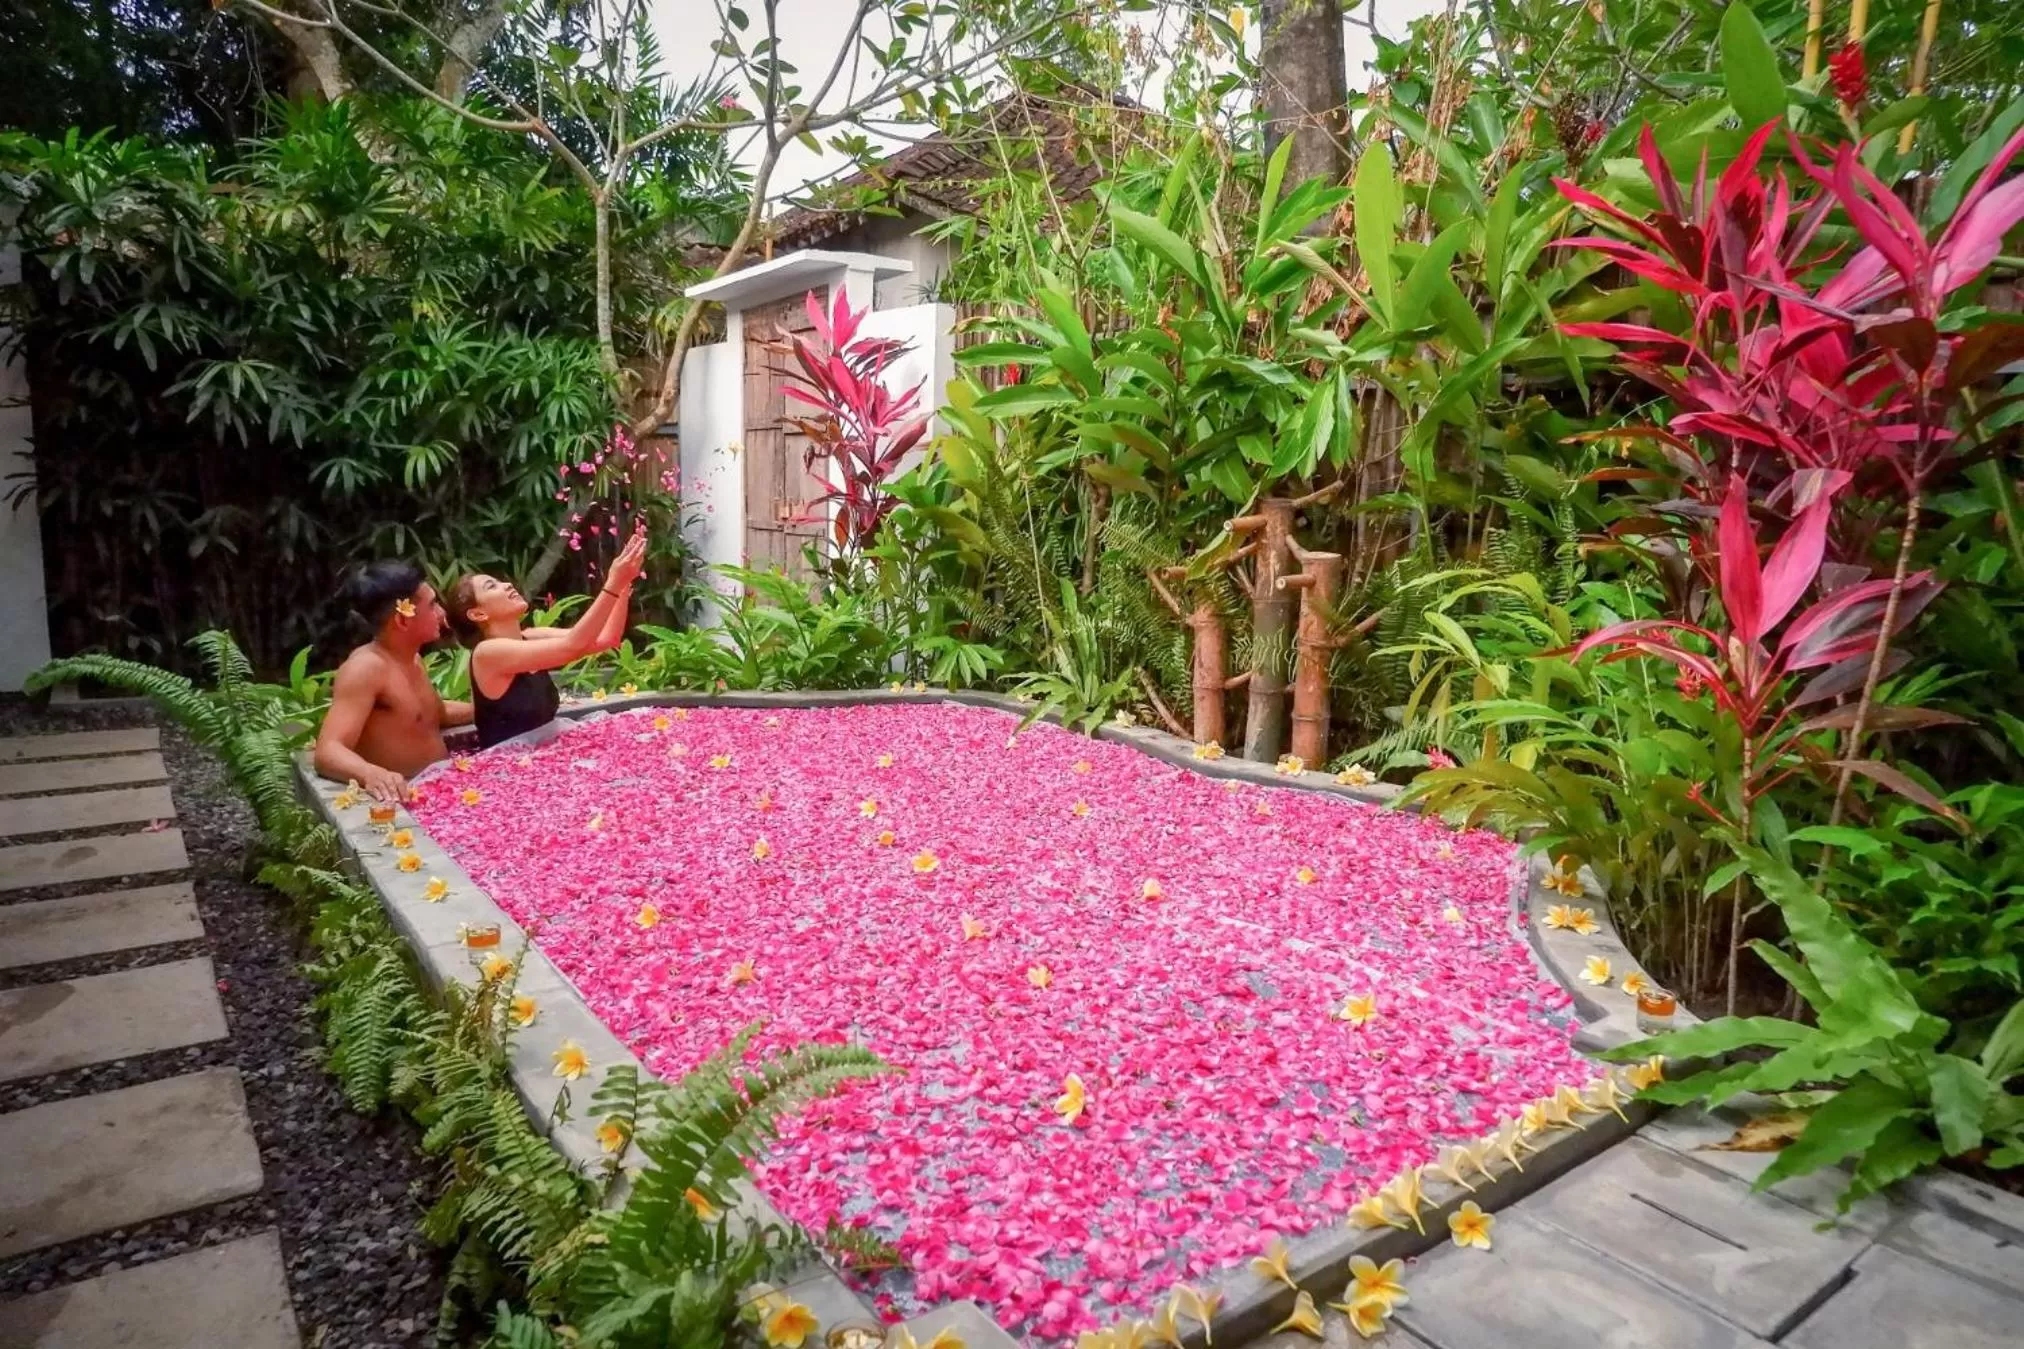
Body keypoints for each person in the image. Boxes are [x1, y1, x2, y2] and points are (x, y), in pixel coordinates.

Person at [447, 526, 648, 749]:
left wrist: (624, 581)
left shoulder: (531, 637)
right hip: (507, 767)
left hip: (547, 755)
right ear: (478, 614)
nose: (507, 585)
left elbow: (606, 639)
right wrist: (612, 583)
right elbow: (572, 646)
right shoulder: (487, 654)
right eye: (491, 586)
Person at [313, 561, 474, 801]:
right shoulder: (366, 668)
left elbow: (435, 715)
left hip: (442, 789)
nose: (441, 613)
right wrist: (371, 773)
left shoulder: (413, 660)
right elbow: (328, 750)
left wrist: (489, 708)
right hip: (407, 798)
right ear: (403, 621)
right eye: (432, 605)